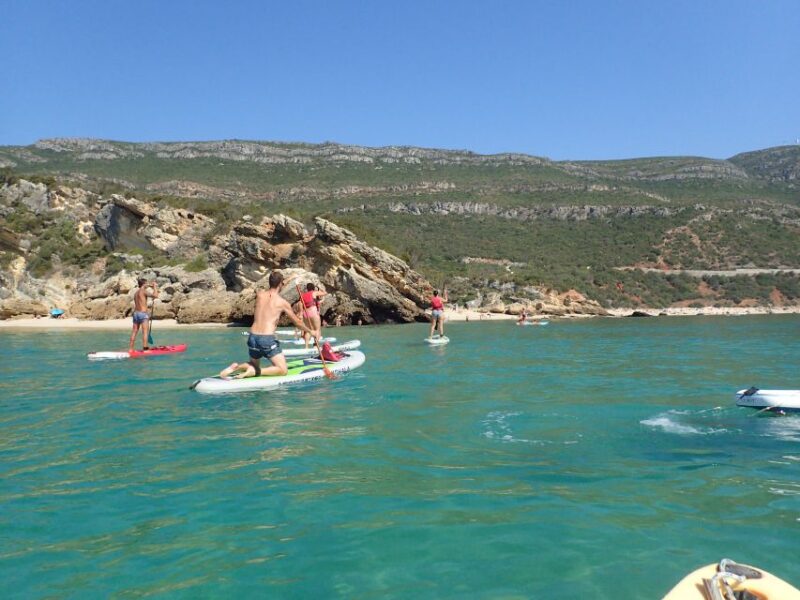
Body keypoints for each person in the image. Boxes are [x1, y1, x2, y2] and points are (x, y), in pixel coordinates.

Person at [221, 271, 316, 379]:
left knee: (254, 363)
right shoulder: (282, 302)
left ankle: (236, 367)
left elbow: (276, 286)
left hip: (252, 337)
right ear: (281, 284)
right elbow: (297, 322)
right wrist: (310, 331)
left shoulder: (260, 295)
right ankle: (255, 371)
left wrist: (290, 278)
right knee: (283, 370)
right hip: (266, 339)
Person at [129, 278, 158, 352]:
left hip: (135, 314)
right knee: (145, 332)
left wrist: (150, 286)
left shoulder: (136, 293)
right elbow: (155, 295)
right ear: (144, 284)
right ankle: (145, 349)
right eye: (146, 283)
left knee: (134, 332)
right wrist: (154, 287)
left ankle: (131, 349)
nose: (147, 284)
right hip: (143, 314)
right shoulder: (144, 291)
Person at [299, 282, 327, 348]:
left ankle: (306, 347)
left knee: (308, 330)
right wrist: (319, 287)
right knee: (317, 329)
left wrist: (301, 314)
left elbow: (300, 305)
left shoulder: (302, 295)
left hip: (305, 313)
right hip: (313, 311)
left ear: (307, 289)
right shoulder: (314, 292)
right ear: (313, 288)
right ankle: (315, 346)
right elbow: (325, 293)